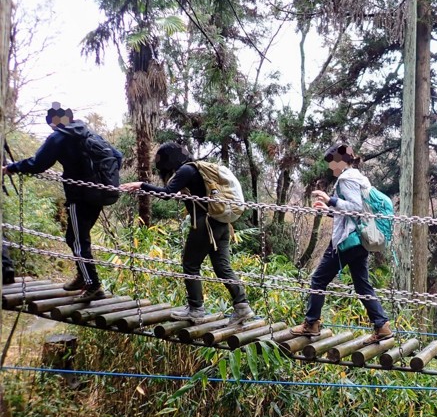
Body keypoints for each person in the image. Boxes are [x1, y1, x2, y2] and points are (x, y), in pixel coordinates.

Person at [119, 142, 255, 325]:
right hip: (221, 223)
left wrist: (141, 185)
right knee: (223, 267)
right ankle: (242, 307)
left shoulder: (186, 170)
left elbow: (167, 193)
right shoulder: (197, 169)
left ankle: (196, 310)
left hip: (204, 224)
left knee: (190, 264)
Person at [2, 102, 122, 302]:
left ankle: (92, 284)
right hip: (99, 194)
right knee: (74, 237)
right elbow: (117, 156)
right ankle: (83, 277)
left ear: (53, 122)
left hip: (79, 196)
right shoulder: (88, 133)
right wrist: (103, 180)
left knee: (77, 240)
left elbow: (37, 164)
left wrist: (12, 168)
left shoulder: (59, 136)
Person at [289, 143, 393, 346]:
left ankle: (311, 324)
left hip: (347, 241)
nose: (330, 168)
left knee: (318, 280)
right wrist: (329, 207)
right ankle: (382, 326)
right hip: (359, 240)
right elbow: (351, 212)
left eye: (331, 163)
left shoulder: (346, 178)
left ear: (340, 162)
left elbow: (355, 208)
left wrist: (331, 200)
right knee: (362, 285)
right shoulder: (359, 177)